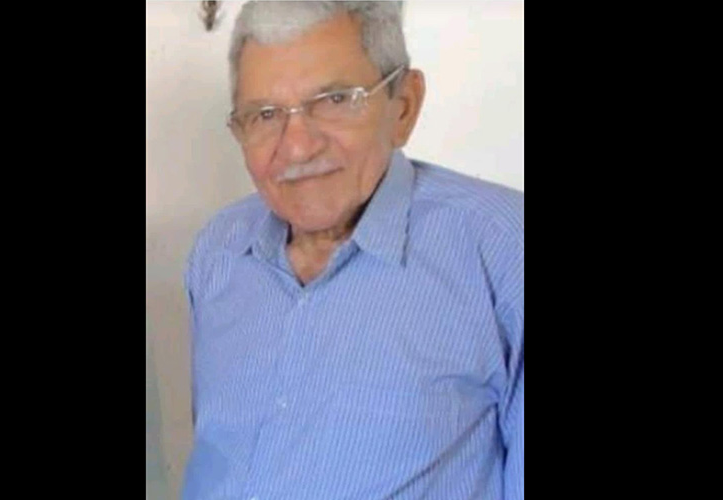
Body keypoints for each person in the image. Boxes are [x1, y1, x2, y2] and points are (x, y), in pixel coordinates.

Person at [183, 2, 523, 498]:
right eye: (265, 114)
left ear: (403, 105)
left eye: (335, 99)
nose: (297, 147)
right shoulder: (219, 250)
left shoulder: (503, 246)